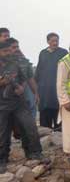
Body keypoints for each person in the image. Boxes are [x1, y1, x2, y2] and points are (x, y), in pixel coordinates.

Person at [0, 40, 43, 172]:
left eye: (10, 50)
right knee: (2, 133)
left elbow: (26, 79)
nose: (9, 53)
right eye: (5, 51)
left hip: (19, 102)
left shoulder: (16, 62)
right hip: (2, 105)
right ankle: (2, 160)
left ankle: (35, 153)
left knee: (30, 126)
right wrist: (3, 82)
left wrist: (26, 90)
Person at [35, 32, 68, 130]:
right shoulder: (43, 53)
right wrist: (36, 90)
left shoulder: (63, 52)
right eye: (52, 41)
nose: (55, 43)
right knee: (45, 122)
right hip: (44, 91)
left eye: (56, 41)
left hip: (58, 90)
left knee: (59, 118)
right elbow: (38, 71)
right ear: (48, 41)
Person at [7, 38, 39, 118]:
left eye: (17, 47)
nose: (17, 49)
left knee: (31, 111)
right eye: (14, 47)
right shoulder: (4, 62)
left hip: (25, 95)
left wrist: (36, 93)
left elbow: (30, 78)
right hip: (9, 96)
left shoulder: (24, 61)